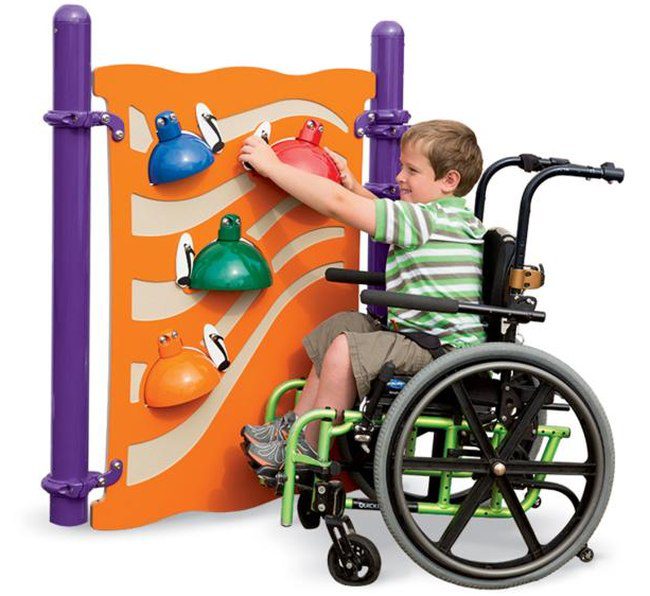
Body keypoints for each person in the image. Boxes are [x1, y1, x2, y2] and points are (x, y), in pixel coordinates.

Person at [239, 120, 486, 470]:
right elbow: (380, 214)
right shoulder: (441, 217)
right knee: (344, 325)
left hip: (441, 352)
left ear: (449, 181)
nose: (400, 177)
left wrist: (273, 166)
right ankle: (294, 428)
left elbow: (338, 206)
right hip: (420, 338)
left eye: (412, 170)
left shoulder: (427, 220)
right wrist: (354, 185)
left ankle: (309, 449)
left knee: (345, 348)